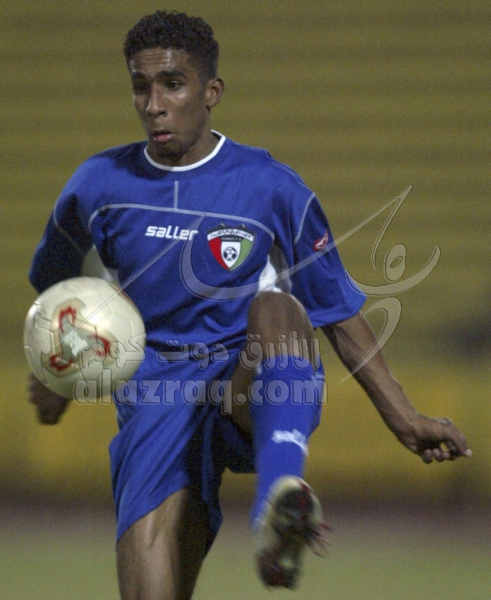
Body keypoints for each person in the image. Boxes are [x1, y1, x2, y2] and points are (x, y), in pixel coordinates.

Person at [28, 10, 472, 600]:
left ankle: (278, 502)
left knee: (277, 309)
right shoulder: (97, 185)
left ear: (211, 91)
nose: (154, 105)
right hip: (156, 395)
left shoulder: (270, 186)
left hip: (247, 382)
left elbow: (336, 311)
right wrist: (56, 375)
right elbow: (59, 290)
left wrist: (403, 417)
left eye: (172, 84)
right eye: (141, 86)